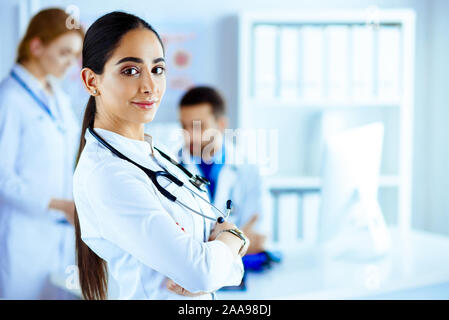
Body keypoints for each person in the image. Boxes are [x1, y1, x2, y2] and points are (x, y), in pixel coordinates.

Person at [73, 11, 248, 300]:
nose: (150, 86)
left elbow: (219, 264)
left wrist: (227, 249)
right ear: (92, 81)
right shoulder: (107, 174)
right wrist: (234, 242)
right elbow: (202, 271)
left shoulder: (158, 154)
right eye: (130, 70)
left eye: (158, 69)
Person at [0, 8, 84, 299]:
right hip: (21, 238)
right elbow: (3, 179)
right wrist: (60, 205)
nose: (71, 64)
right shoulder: (9, 99)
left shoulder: (58, 98)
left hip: (58, 238)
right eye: (64, 53)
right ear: (37, 46)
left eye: (75, 56)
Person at [178, 86, 267, 255]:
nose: (190, 135)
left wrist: (206, 246)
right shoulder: (169, 169)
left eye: (198, 127)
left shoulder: (248, 170)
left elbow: (258, 239)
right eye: (184, 126)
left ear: (221, 125)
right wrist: (235, 241)